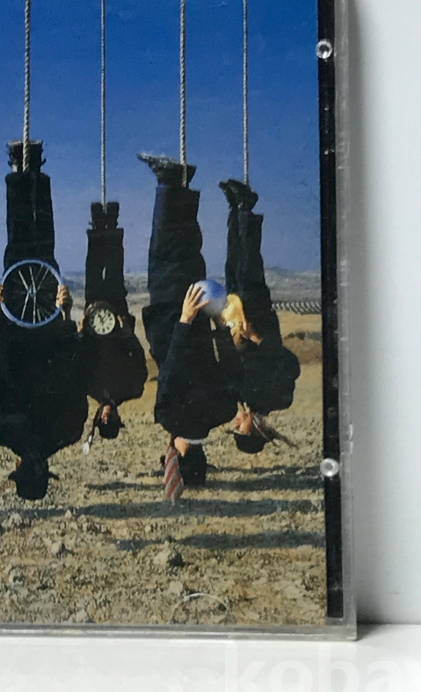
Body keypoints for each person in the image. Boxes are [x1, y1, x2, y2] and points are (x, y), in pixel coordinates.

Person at [0, 140, 87, 500]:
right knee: (19, 240)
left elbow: (74, 368)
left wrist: (66, 315)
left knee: (43, 240)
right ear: (18, 467)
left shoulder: (69, 431)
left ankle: (34, 166)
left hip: (48, 316)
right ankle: (18, 166)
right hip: (15, 319)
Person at [138, 154, 241, 498]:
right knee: (164, 251)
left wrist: (219, 325)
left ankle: (182, 183)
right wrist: (183, 321)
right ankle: (168, 180)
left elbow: (230, 365)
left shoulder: (223, 411)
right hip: (173, 317)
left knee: (188, 252)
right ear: (180, 456)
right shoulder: (170, 417)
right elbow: (172, 368)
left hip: (202, 315)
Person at [218, 178, 301, 453]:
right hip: (259, 317)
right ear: (253, 430)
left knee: (232, 264)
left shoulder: (240, 396)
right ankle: (246, 206)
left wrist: (234, 341)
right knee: (248, 263)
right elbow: (290, 364)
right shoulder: (278, 399)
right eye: (239, 428)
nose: (236, 423)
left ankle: (234, 209)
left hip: (235, 319)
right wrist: (256, 338)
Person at [77, 200, 149, 451]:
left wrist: (81, 331)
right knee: (115, 270)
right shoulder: (133, 389)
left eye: (103, 421)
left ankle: (98, 223)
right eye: (113, 421)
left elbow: (81, 356)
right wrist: (128, 334)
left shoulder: (88, 387)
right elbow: (138, 359)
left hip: (93, 315)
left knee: (94, 268)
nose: (108, 417)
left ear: (97, 418)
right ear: (119, 419)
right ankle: (113, 224)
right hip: (117, 319)